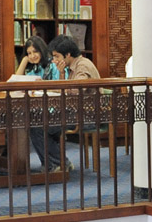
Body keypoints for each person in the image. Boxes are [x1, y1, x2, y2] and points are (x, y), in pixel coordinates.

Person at [30, 35, 101, 172]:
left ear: (67, 54)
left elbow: (75, 90)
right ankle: (58, 163)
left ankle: (58, 164)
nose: (54, 60)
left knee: (38, 126)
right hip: (75, 112)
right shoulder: (73, 66)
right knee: (37, 121)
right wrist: (60, 75)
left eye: (57, 57)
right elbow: (67, 90)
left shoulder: (82, 66)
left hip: (88, 116)